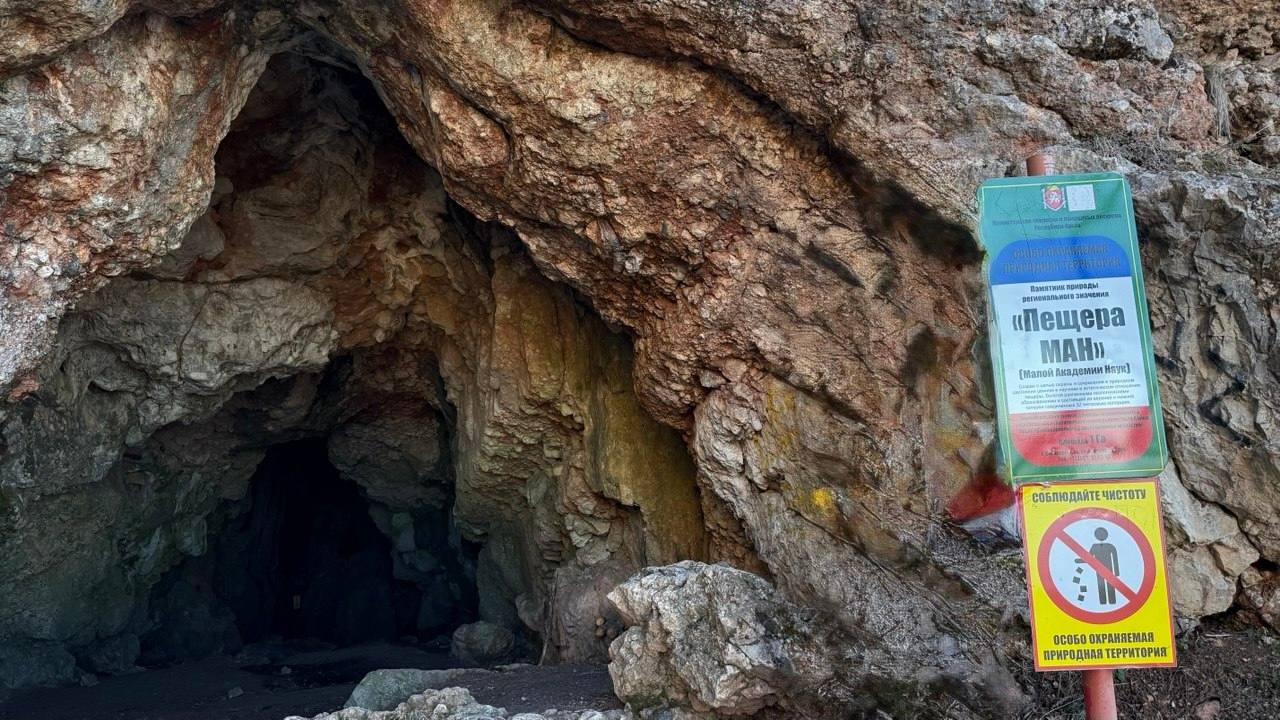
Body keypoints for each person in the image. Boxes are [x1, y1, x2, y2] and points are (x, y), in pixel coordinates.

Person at [1089, 527, 1120, 605]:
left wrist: (1116, 572)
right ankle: (1103, 602)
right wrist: (1079, 561)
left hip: (1109, 569)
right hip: (1099, 570)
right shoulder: (1094, 546)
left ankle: (1112, 601)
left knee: (1110, 585)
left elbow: (1115, 559)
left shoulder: (1110, 546)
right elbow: (1089, 558)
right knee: (1101, 585)